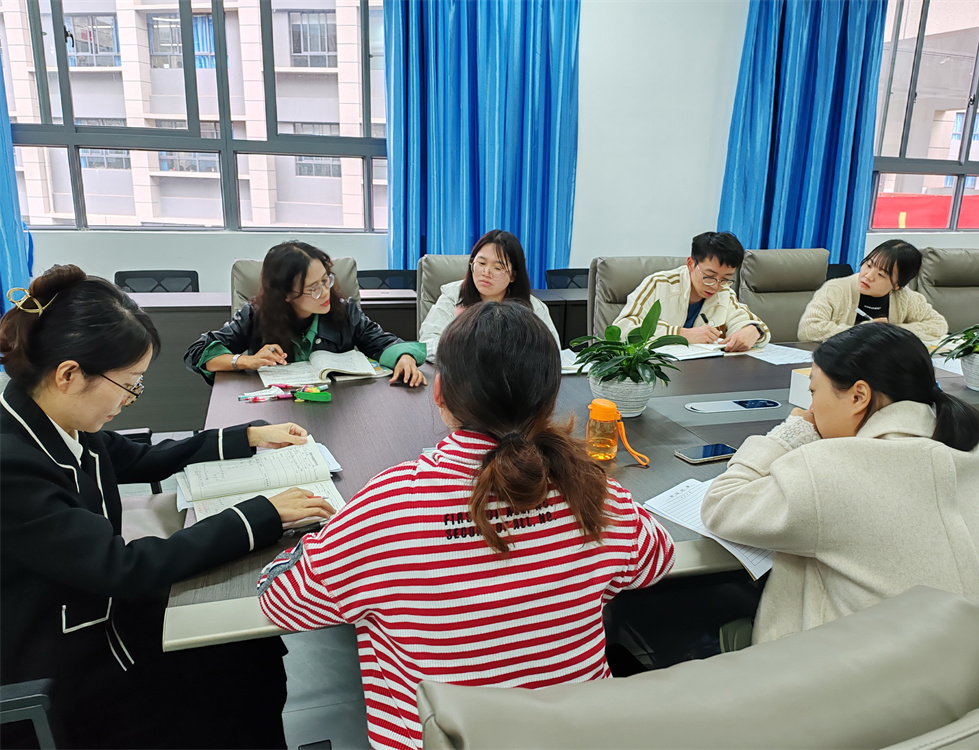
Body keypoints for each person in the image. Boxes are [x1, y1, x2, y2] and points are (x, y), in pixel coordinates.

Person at [257, 301, 676, 750]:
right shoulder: (593, 490)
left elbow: (282, 601)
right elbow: (657, 557)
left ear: (439, 393)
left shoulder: (390, 505)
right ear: (551, 397)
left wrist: (325, 538)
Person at [0, 266, 334, 749]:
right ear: (69, 374)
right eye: (129, 383)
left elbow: (140, 456)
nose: (131, 399)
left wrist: (247, 435)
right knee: (237, 679)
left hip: (100, 620)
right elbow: (121, 568)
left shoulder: (51, 417)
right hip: (64, 672)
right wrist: (261, 514)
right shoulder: (12, 466)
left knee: (253, 651)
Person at [701, 323, 979, 646]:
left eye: (814, 392)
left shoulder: (833, 467)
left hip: (874, 670)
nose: (811, 408)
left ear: (859, 396)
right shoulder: (974, 453)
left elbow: (721, 505)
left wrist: (787, 436)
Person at [185, 241, 427, 386]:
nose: (325, 292)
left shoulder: (345, 311)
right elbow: (197, 353)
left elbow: (384, 342)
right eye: (313, 289)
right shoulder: (256, 316)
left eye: (325, 280)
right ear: (285, 294)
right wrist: (247, 361)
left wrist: (404, 357)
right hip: (278, 412)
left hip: (337, 410)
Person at [612, 231, 770, 352]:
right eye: (709, 276)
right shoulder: (659, 284)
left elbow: (750, 323)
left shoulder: (724, 292)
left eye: (726, 278)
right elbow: (622, 329)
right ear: (690, 263)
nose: (716, 286)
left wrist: (753, 330)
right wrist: (680, 334)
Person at [417, 229, 561, 361]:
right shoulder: (453, 296)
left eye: (497, 267)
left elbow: (552, 353)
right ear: (471, 264)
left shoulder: (533, 307)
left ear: (513, 275)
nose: (486, 272)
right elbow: (427, 345)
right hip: (463, 375)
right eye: (481, 263)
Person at [798, 239, 948, 342]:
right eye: (868, 265)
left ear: (897, 285)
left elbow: (938, 325)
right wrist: (863, 331)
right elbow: (808, 330)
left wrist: (891, 330)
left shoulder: (905, 297)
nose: (868, 276)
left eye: (881, 274)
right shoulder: (835, 289)